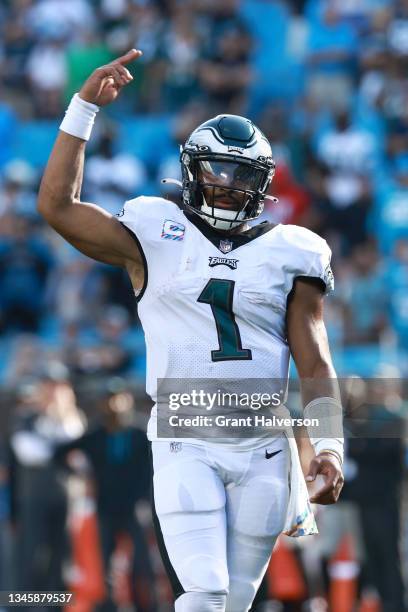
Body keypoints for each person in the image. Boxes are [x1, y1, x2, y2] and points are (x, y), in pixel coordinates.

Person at [38, 49, 344, 612]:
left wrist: (328, 445)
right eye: (216, 172)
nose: (227, 187)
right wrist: (82, 109)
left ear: (264, 182)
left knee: (232, 605)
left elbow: (316, 361)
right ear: (190, 170)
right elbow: (58, 207)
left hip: (265, 449)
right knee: (204, 593)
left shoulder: (293, 250)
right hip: (185, 437)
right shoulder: (157, 228)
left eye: (241, 176)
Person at [54, 385, 155, 612]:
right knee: (106, 563)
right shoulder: (96, 436)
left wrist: (145, 496)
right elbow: (60, 453)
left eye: (118, 399)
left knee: (143, 563)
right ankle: (109, 607)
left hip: (135, 508)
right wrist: (79, 473)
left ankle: (148, 606)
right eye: (109, 400)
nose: (114, 405)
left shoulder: (140, 434)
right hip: (106, 507)